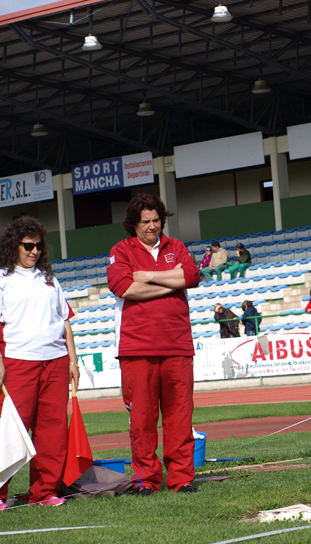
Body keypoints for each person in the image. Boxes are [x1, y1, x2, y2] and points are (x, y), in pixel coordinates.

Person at [106, 194, 200, 495]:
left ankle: (182, 478)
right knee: (142, 420)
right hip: (137, 349)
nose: (152, 227)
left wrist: (147, 276)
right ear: (133, 224)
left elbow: (192, 275)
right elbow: (125, 288)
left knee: (180, 416)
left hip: (178, 345)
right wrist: (172, 283)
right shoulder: (120, 251)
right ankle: (146, 480)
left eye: (156, 220)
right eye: (145, 221)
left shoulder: (177, 247)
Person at [0, 216, 81, 509]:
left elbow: (65, 321)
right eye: (28, 245)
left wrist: (73, 360)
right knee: (9, 430)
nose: (34, 251)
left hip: (56, 362)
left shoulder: (50, 279)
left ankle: (44, 493)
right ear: (14, 246)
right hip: (18, 362)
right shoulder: (2, 280)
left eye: (38, 245)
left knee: (52, 432)